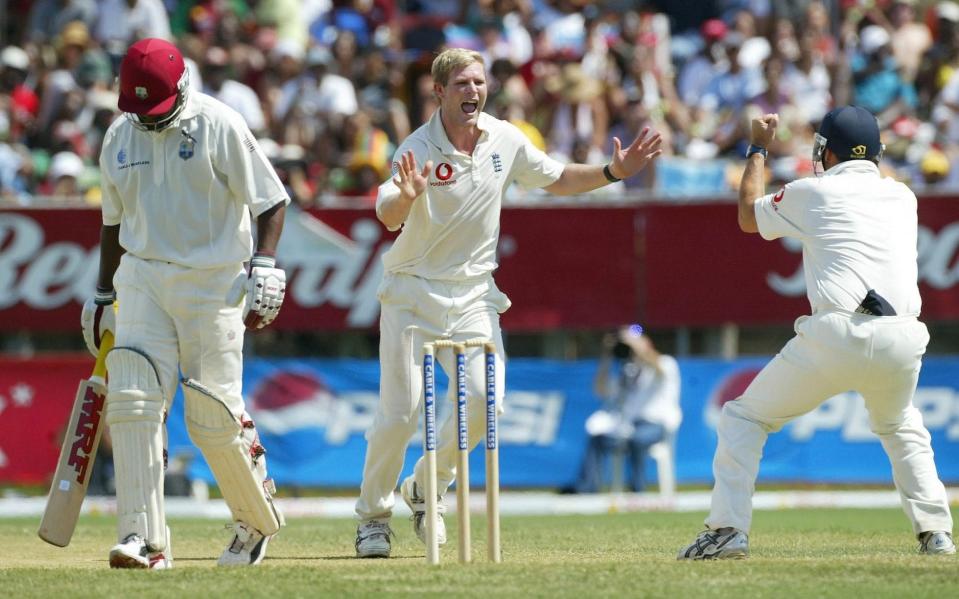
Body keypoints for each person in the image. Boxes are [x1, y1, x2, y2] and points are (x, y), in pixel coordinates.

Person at [353, 47, 662, 558]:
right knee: (400, 415)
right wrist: (406, 196)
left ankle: (427, 487)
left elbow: (558, 178)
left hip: (474, 293)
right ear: (439, 92)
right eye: (461, 85)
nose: (473, 91)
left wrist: (612, 172)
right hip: (412, 291)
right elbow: (388, 212)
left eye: (478, 82)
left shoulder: (505, 138)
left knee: (485, 402)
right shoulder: (418, 145)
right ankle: (373, 516)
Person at [678, 106, 955, 560]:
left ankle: (727, 532)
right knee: (901, 425)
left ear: (826, 151)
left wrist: (758, 148)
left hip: (838, 331)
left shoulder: (813, 192)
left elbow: (749, 216)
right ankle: (936, 534)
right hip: (903, 336)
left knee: (744, 418)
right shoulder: (904, 197)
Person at [79, 38, 289, 569]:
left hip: (212, 280)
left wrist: (263, 264)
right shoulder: (119, 135)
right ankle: (143, 539)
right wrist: (103, 293)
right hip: (144, 278)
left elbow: (272, 199)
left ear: (182, 87)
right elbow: (112, 221)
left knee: (213, 414)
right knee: (132, 402)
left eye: (156, 107)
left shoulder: (218, 123)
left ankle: (254, 522)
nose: (147, 120)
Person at [569, 325, 681, 494]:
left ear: (647, 342)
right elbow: (601, 390)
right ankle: (587, 488)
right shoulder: (629, 370)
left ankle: (638, 490)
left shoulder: (666, 362)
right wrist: (607, 356)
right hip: (630, 425)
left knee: (637, 439)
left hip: (657, 425)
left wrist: (638, 346)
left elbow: (658, 369)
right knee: (598, 439)